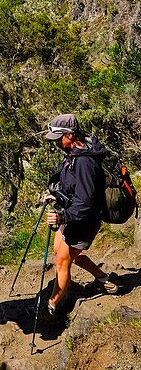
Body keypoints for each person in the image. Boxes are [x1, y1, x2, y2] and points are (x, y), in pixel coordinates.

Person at [44, 113, 118, 316]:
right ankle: (103, 279)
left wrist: (62, 217)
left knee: (62, 261)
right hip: (72, 215)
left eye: (59, 138)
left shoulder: (84, 162)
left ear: (70, 134)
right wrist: (55, 195)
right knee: (63, 253)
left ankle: (52, 305)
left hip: (82, 220)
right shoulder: (72, 153)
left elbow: (85, 202)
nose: (56, 143)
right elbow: (72, 187)